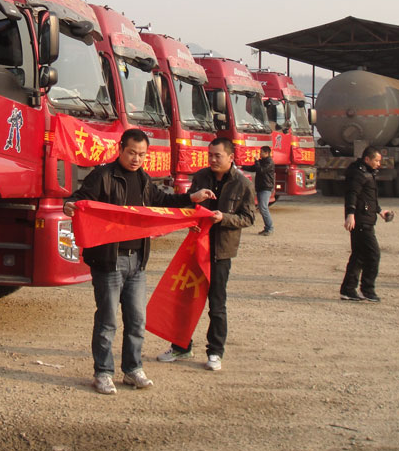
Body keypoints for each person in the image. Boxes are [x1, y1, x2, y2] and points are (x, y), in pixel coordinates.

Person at [63, 129, 216, 395]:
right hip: (109, 262)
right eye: (132, 153)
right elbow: (79, 199)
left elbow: (163, 202)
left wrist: (191, 199)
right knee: (107, 321)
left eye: (142, 155)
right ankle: (103, 373)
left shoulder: (144, 179)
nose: (136, 159)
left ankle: (132, 369)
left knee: (136, 321)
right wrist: (71, 205)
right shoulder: (103, 176)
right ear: (120, 149)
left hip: (137, 262)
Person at [157, 137, 255, 371]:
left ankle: (215, 352)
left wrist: (224, 218)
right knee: (185, 300)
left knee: (217, 304)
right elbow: (191, 205)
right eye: (210, 155)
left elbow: (248, 218)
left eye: (217, 155)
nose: (212, 159)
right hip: (196, 247)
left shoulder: (242, 184)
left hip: (221, 251)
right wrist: (191, 220)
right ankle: (181, 346)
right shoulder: (201, 177)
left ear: (230, 157)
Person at [339, 146, 392, 303]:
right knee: (373, 255)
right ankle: (367, 290)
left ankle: (348, 290)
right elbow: (352, 194)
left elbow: (368, 197)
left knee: (359, 256)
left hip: (365, 217)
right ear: (367, 159)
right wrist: (350, 215)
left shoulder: (367, 172)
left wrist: (380, 211)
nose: (378, 164)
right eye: (376, 160)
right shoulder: (359, 173)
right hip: (361, 221)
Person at [243, 146, 276, 235]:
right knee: (262, 208)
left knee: (263, 208)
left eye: (261, 152)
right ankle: (267, 228)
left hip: (266, 188)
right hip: (261, 187)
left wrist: (257, 161)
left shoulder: (269, 162)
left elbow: (260, 170)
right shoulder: (262, 161)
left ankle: (270, 228)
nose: (260, 154)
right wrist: (242, 167)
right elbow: (253, 168)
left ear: (266, 153)